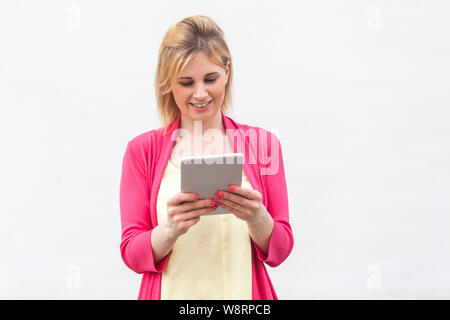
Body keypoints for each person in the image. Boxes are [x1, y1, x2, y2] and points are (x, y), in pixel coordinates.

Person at [119, 15, 293, 300]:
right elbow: (132, 254)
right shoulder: (142, 151)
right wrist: (170, 229)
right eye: (186, 82)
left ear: (227, 71)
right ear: (168, 83)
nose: (200, 94)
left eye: (210, 79)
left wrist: (258, 217)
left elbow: (281, 250)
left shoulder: (264, 145)